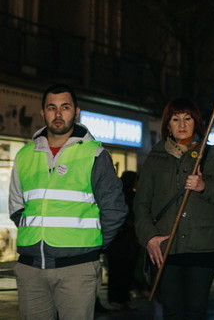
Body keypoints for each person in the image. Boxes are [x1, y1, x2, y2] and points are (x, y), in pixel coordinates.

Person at [8, 83, 128, 320]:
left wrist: (91, 246)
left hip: (77, 269)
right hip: (31, 269)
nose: (58, 114)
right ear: (43, 113)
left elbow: (115, 209)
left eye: (65, 107)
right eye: (51, 108)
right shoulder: (25, 155)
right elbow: (16, 206)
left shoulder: (94, 153)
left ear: (76, 112)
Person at [134, 97, 214, 320]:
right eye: (175, 119)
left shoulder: (211, 155)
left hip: (203, 248)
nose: (181, 124)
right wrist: (148, 237)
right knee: (172, 312)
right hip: (165, 248)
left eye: (187, 118)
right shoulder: (155, 158)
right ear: (167, 124)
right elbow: (141, 204)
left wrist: (204, 186)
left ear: (196, 121)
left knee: (195, 312)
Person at [106, 170, 141, 309]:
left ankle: (118, 299)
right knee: (123, 270)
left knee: (118, 271)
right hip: (124, 241)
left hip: (119, 241)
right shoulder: (131, 197)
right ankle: (121, 299)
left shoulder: (119, 195)